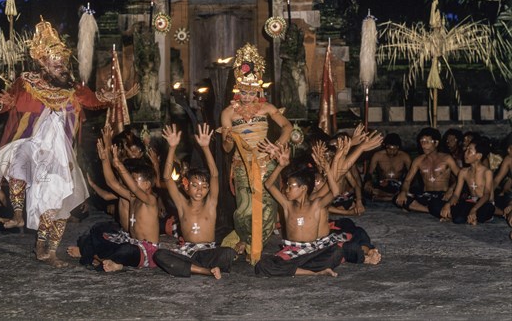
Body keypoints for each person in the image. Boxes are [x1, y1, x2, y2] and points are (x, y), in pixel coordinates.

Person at [0, 18, 117, 267]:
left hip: (60, 156)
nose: (62, 67)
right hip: (33, 145)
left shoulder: (73, 88)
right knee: (18, 159)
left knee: (60, 202)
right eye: (56, 64)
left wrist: (106, 98)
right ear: (43, 64)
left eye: (63, 63)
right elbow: (9, 100)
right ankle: (18, 213)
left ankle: (48, 249)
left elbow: (94, 100)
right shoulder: (27, 82)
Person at [254, 136, 382, 277]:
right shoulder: (287, 205)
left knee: (339, 249)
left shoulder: (316, 203)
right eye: (287, 186)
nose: (286, 190)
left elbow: (336, 187)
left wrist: (335, 161)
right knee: (262, 266)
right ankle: (314, 273)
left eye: (291, 186)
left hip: (315, 250)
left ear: (303, 188)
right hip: (294, 251)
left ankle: (363, 253)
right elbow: (268, 185)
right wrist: (280, 165)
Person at [220, 43, 293, 264]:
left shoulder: (268, 108)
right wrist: (228, 139)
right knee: (243, 210)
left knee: (268, 209)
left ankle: (252, 246)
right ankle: (243, 237)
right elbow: (226, 149)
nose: (248, 96)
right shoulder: (228, 114)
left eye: (252, 92)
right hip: (242, 165)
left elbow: (288, 127)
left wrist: (277, 145)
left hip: (266, 163)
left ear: (258, 89)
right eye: (243, 91)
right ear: (237, 88)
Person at [68, 128, 161, 272]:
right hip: (130, 241)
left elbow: (134, 189)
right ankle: (98, 256)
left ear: (147, 184)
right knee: (94, 235)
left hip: (145, 250)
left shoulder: (151, 201)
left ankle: (108, 261)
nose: (130, 183)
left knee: (127, 251)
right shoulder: (132, 197)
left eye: (135, 180)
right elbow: (113, 184)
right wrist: (105, 160)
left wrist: (118, 165)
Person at [154, 124, 234, 279]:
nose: (199, 190)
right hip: (188, 253)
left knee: (228, 253)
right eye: (195, 185)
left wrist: (205, 148)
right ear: (186, 187)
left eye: (204, 186)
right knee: (160, 255)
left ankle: (196, 268)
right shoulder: (182, 205)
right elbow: (166, 178)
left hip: (208, 252)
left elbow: (215, 176)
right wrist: (172, 148)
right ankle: (205, 271)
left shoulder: (211, 204)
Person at [395, 127, 460, 213]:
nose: (424, 145)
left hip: (442, 195)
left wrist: (451, 189)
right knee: (398, 199)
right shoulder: (418, 160)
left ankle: (424, 208)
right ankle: (432, 210)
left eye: (427, 142)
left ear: (436, 143)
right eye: (422, 142)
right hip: (426, 195)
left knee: (437, 203)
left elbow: (461, 177)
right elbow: (407, 181)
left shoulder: (447, 158)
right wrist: (403, 192)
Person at [436, 137, 494, 224]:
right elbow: (456, 195)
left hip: (483, 203)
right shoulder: (463, 172)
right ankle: (468, 217)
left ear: (479, 156)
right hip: (470, 202)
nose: (465, 153)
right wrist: (448, 204)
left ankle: (468, 216)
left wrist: (474, 209)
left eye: (469, 151)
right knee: (439, 207)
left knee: (487, 209)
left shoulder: (487, 172)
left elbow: (486, 195)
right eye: (466, 150)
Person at [364, 133, 411, 201]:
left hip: (398, 185)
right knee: (368, 191)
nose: (392, 152)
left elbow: (412, 175)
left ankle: (388, 197)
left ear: (398, 147)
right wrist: (368, 182)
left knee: (410, 191)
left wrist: (404, 186)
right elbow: (369, 173)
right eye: (389, 149)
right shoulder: (378, 156)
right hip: (382, 185)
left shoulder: (405, 157)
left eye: (395, 149)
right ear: (385, 146)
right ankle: (394, 197)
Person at [493, 136, 512, 216]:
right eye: (508, 147)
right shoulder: (508, 159)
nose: (508, 150)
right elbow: (497, 180)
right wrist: (488, 195)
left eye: (511, 148)